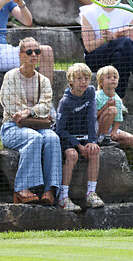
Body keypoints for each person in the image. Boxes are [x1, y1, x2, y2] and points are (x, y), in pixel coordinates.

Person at [0, 37, 61, 205]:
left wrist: (28, 111)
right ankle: (21, 189)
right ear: (21, 55)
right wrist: (35, 111)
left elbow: (46, 106)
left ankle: (50, 190)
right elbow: (12, 108)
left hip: (36, 125)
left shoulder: (44, 81)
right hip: (11, 128)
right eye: (29, 52)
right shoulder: (10, 77)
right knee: (34, 138)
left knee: (52, 138)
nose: (34, 55)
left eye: (37, 51)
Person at [0, 0, 55, 85]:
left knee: (46, 51)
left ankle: (46, 99)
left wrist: (21, 3)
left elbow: (27, 21)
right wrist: (2, 1)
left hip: (3, 51)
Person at [56, 63, 104, 212]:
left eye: (86, 78)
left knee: (95, 151)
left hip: (84, 137)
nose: (83, 82)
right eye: (79, 78)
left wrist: (91, 141)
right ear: (71, 82)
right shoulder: (65, 102)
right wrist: (78, 145)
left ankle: (91, 193)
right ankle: (63, 197)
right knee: (72, 155)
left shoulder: (90, 92)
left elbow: (91, 118)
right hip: (67, 138)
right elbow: (60, 130)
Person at [96, 65, 133, 148]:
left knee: (131, 139)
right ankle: (101, 139)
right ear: (101, 82)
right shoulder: (96, 96)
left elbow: (117, 121)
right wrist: (106, 106)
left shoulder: (117, 99)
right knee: (112, 110)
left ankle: (108, 140)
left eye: (115, 77)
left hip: (109, 130)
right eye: (108, 77)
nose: (113, 79)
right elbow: (94, 117)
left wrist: (113, 132)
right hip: (96, 127)